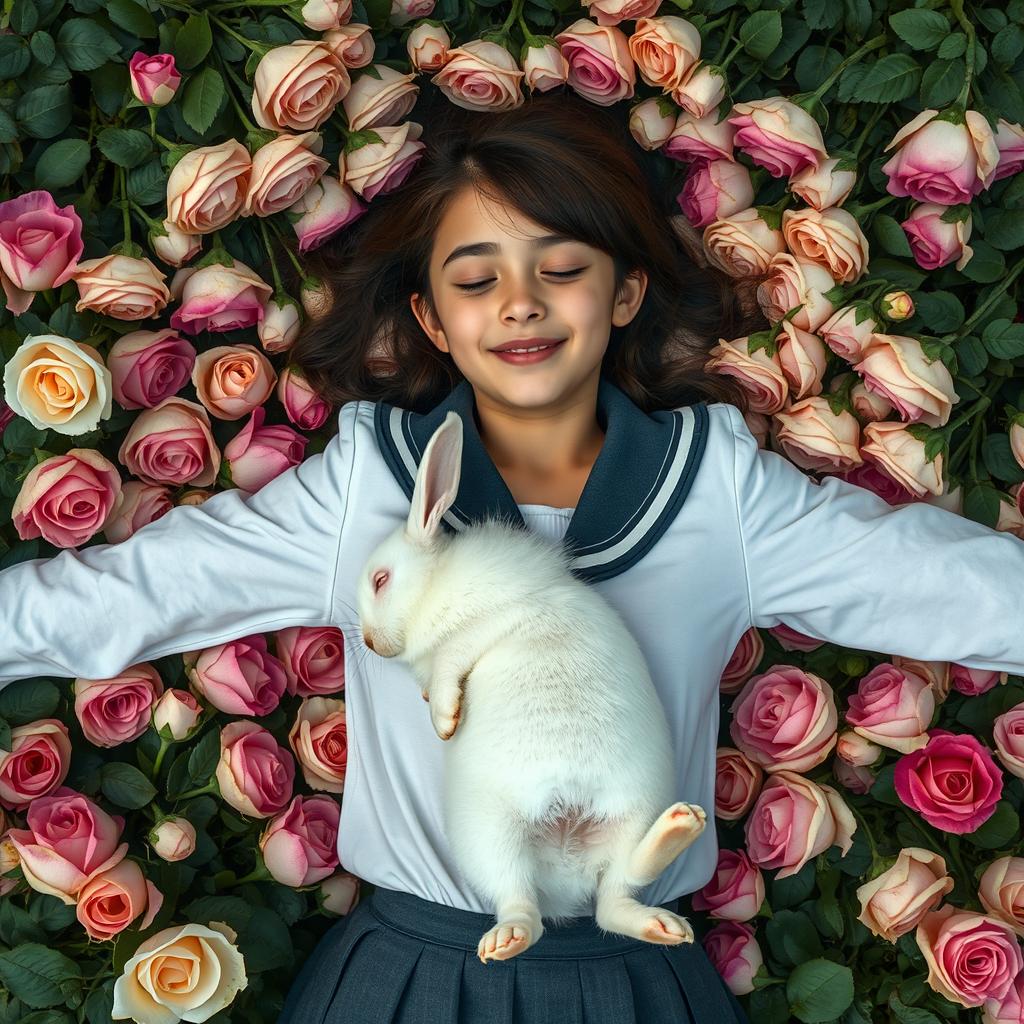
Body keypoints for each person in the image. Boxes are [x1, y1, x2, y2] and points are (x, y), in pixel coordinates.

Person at [2, 89, 1022, 1024]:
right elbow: (132, 596)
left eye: (563, 267)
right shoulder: (370, 487)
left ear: (624, 293)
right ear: (432, 320)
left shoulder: (717, 488)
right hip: (404, 981)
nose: (521, 303)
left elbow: (942, 585)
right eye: (476, 278)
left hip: (636, 981)